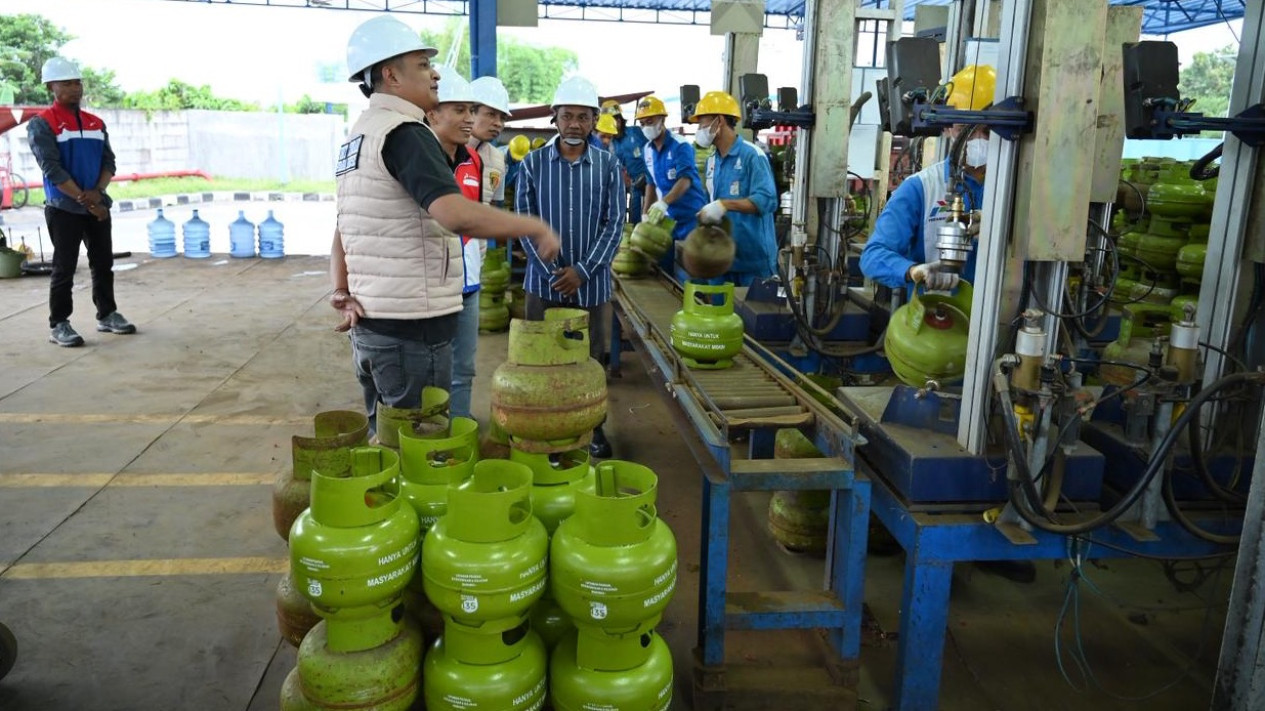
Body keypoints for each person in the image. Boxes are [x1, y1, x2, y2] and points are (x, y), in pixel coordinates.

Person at [329, 15, 560, 434]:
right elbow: (454, 213)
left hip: (372, 325)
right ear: (390, 74)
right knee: (422, 450)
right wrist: (531, 225)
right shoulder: (405, 134)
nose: (434, 73)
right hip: (410, 330)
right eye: (421, 64)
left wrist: (341, 291)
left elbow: (342, 230)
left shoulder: (359, 135)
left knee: (387, 442)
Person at [516, 75, 626, 458]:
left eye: (583, 117)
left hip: (592, 289)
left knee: (590, 364)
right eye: (567, 116)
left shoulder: (610, 167)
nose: (575, 124)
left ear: (595, 120)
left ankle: (592, 432)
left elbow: (615, 226)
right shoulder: (531, 165)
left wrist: (583, 270)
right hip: (543, 289)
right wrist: (552, 273)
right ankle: (548, 431)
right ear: (555, 119)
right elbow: (524, 221)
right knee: (542, 362)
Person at [27, 56, 136, 347]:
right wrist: (86, 199)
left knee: (103, 263)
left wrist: (98, 192)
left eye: (77, 82)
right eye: (67, 83)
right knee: (65, 268)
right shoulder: (42, 124)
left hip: (96, 203)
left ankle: (107, 314)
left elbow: (109, 161)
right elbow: (52, 169)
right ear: (51, 86)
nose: (75, 88)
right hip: (64, 208)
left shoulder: (95, 123)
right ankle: (59, 324)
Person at [859, 65, 994, 294]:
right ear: (947, 128)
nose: (977, 139)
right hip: (937, 319)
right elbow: (873, 255)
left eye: (988, 131)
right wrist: (913, 270)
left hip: (1005, 319)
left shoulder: (1018, 190)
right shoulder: (921, 188)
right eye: (966, 129)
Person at [428, 67, 483, 421]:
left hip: (469, 281)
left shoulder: (473, 160)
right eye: (459, 110)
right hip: (431, 283)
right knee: (432, 371)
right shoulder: (416, 157)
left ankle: (459, 435)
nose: (469, 119)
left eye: (470, 110)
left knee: (464, 367)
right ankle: (431, 442)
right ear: (433, 113)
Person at [691, 90, 778, 285]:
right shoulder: (712, 161)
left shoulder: (752, 156)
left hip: (753, 263)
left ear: (719, 121)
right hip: (721, 260)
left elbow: (767, 200)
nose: (700, 129)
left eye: (702, 122)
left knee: (753, 315)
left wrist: (725, 204)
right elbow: (712, 201)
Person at [636, 95, 707, 271]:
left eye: (650, 121)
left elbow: (685, 180)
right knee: (663, 268)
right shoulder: (647, 150)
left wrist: (664, 202)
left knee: (689, 269)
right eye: (642, 123)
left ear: (662, 119)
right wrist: (645, 214)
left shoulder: (680, 146)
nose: (646, 127)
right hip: (666, 220)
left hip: (690, 218)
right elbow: (651, 183)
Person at [603, 99, 649, 224]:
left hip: (649, 181)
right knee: (634, 216)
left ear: (618, 120)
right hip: (632, 184)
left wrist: (649, 175)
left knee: (648, 216)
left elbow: (653, 149)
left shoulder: (636, 132)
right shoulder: (611, 143)